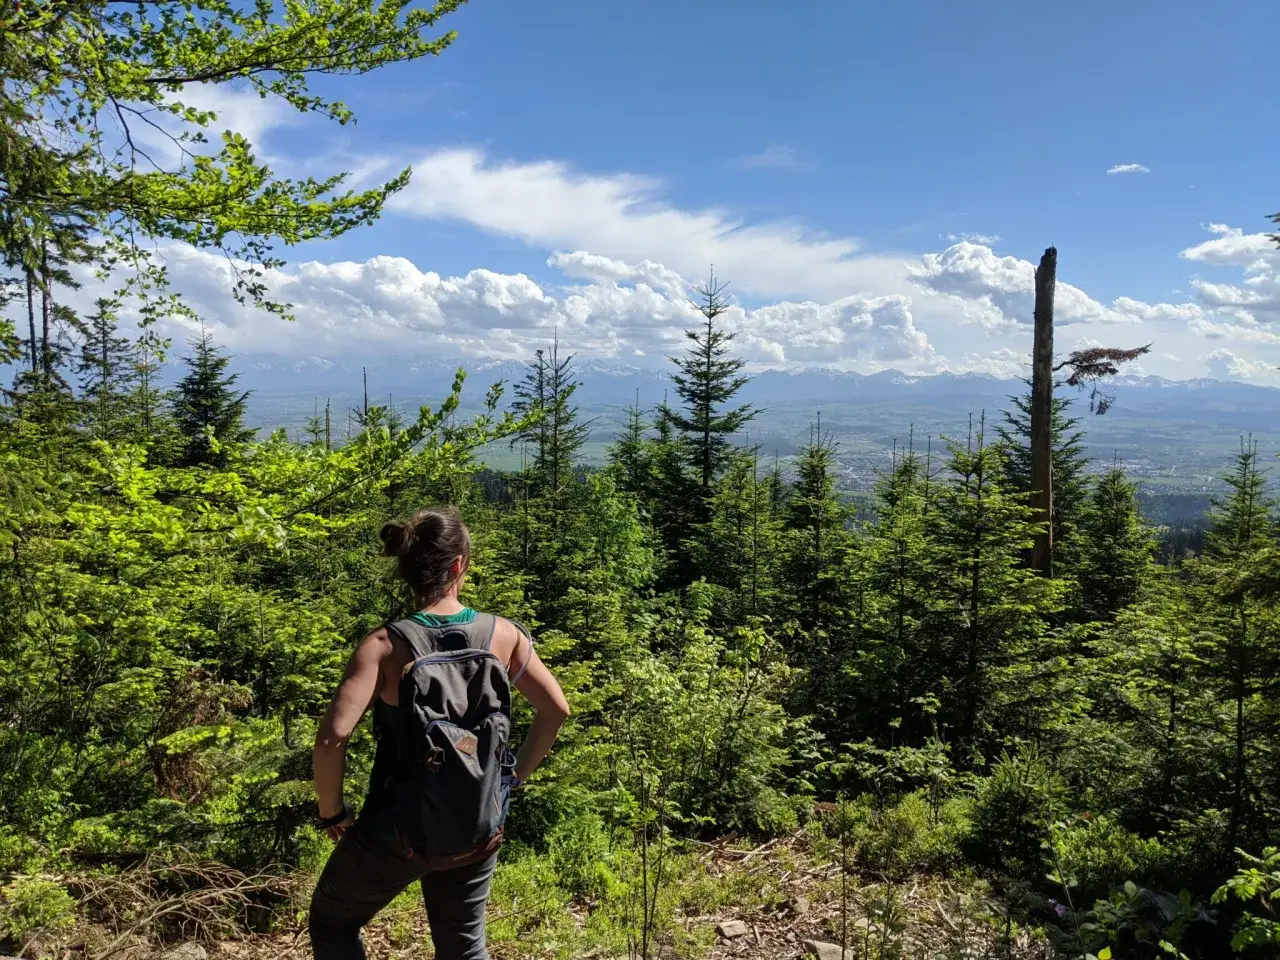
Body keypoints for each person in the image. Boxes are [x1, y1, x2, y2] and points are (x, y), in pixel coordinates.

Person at [309, 505, 570, 960]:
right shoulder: (504, 636)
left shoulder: (385, 646)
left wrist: (332, 813)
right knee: (464, 947)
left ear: (407, 569)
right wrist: (510, 781)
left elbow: (332, 738)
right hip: (477, 824)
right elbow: (556, 710)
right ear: (458, 565)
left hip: (398, 830)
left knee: (333, 923)